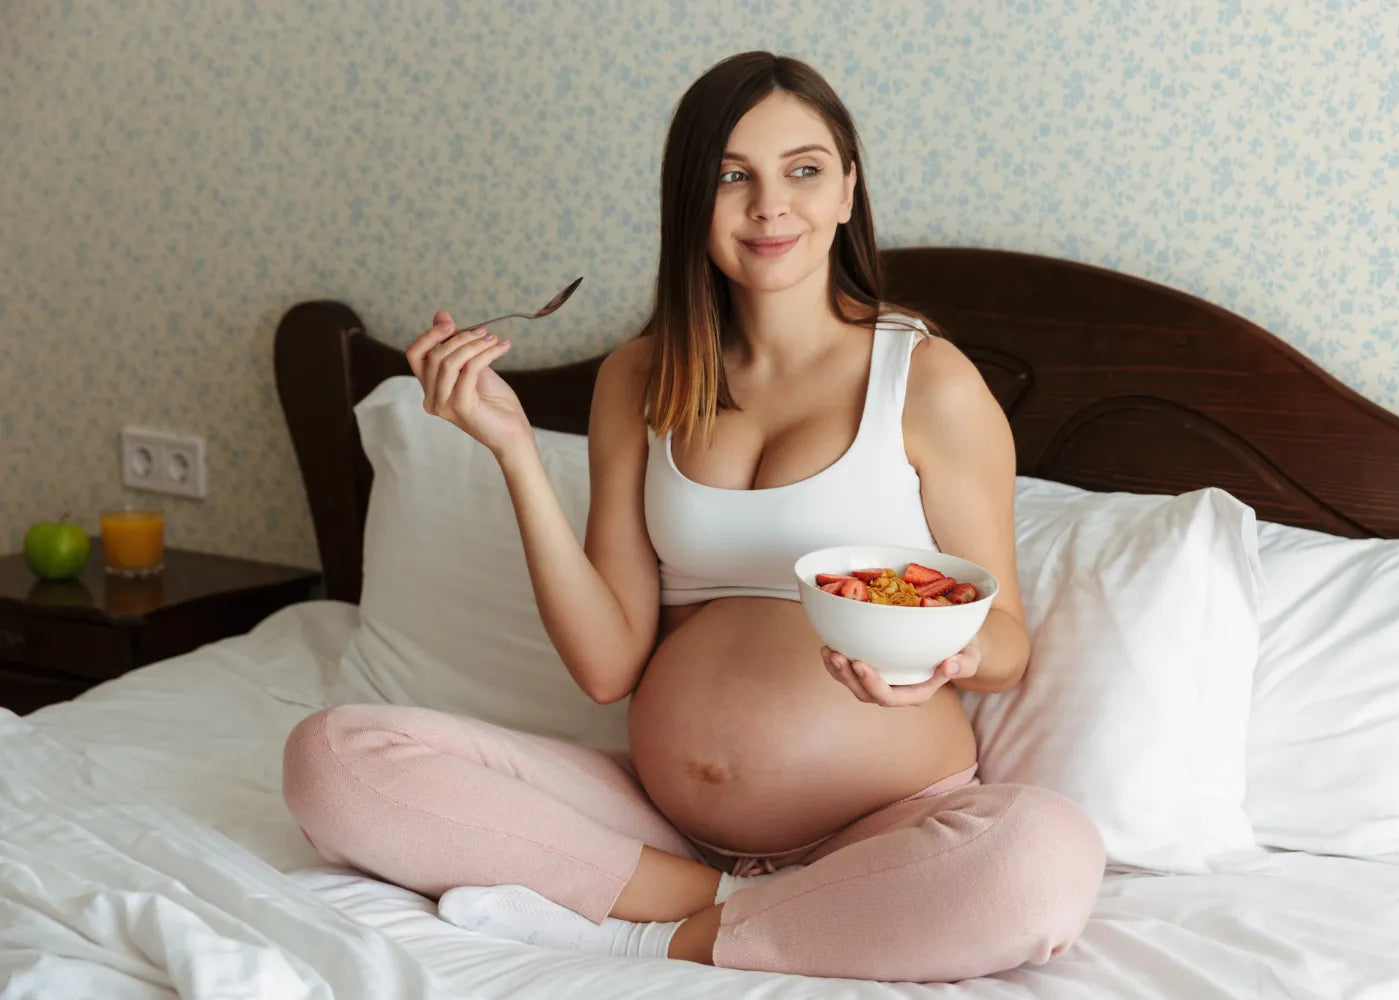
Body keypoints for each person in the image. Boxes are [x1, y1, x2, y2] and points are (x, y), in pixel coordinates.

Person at [282, 50, 1104, 983]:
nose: (769, 205)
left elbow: (1005, 645)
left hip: (888, 823)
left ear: (847, 191)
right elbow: (606, 666)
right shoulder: (641, 378)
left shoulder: (927, 381)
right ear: (690, 201)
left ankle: (639, 931)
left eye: (803, 169)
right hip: (659, 828)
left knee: (1041, 857)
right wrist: (512, 448)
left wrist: (942, 662)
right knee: (333, 758)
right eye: (730, 176)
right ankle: (743, 914)